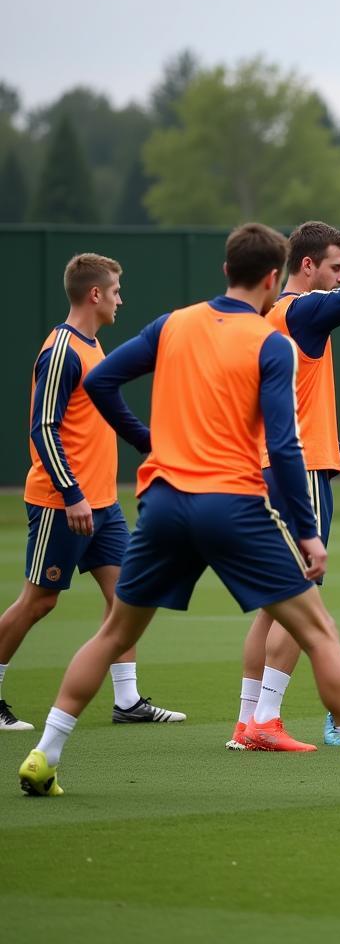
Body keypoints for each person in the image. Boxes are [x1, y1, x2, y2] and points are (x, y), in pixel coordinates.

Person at [18, 223, 340, 804]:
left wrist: (145, 441)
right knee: (319, 631)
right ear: (270, 278)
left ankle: (44, 756)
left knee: (113, 632)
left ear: (225, 271)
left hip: (160, 503)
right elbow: (284, 449)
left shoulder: (173, 323)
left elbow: (103, 380)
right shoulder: (271, 343)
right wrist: (307, 533)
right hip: (232, 505)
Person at [226, 191, 340, 753]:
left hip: (285, 463)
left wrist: (336, 447)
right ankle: (267, 721)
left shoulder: (271, 316)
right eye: (335, 266)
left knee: (273, 604)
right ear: (307, 266)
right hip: (296, 472)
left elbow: (290, 402)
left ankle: (247, 721)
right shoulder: (300, 309)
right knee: (301, 598)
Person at [0, 253, 184, 732]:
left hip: (103, 503)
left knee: (129, 594)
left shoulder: (93, 346)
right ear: (95, 294)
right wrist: (71, 493)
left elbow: (106, 416)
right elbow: (43, 428)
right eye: (117, 290)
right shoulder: (62, 349)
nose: (122, 298)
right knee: (39, 601)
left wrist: (156, 448)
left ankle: (127, 701)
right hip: (64, 503)